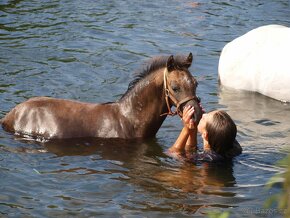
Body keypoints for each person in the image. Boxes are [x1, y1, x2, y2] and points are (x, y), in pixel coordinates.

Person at [168, 105, 242, 162]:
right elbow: (190, 150)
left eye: (204, 118)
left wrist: (186, 129)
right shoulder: (233, 147)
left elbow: (173, 154)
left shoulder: (206, 159)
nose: (203, 115)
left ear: (205, 135)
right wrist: (191, 129)